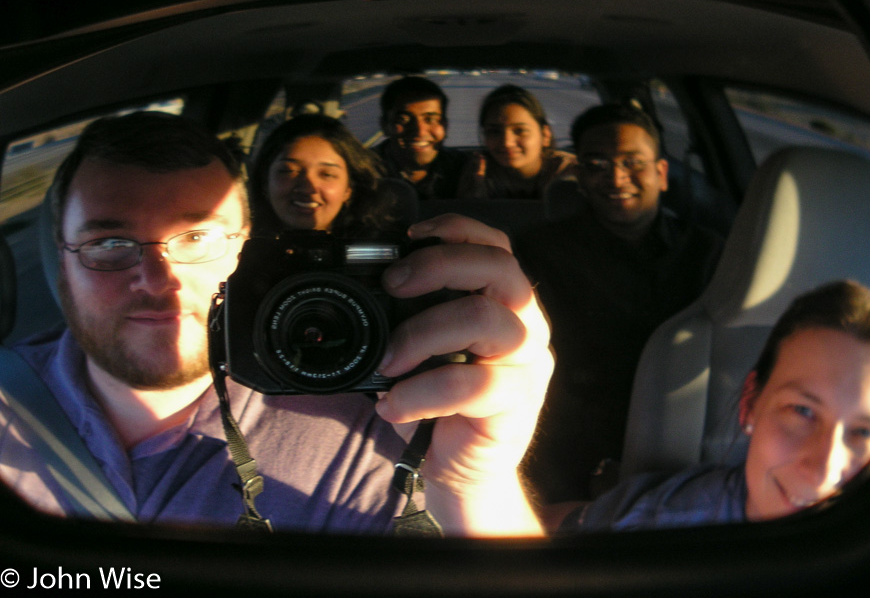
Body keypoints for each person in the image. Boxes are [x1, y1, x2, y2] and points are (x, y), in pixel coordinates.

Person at [1, 111, 552, 537]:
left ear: (246, 248)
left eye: (196, 238)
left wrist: (470, 487)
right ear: (61, 258)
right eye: (109, 243)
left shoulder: (379, 418)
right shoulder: (10, 396)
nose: (159, 278)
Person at [557, 279, 870, 531]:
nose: (823, 471)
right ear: (749, 405)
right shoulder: (658, 526)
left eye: (864, 432)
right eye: (802, 411)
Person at [514, 103, 724, 504]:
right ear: (580, 177)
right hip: (569, 448)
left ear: (661, 174)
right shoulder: (542, 250)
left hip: (689, 442)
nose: (616, 177)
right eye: (596, 164)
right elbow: (536, 370)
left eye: (633, 163)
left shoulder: (709, 252)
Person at [248, 113, 408, 238]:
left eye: (327, 174)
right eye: (289, 171)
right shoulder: (232, 253)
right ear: (265, 181)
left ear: (349, 189)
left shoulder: (382, 260)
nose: (308, 188)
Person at [456, 84, 576, 199]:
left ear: (545, 135)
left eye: (520, 130)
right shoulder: (479, 173)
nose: (506, 142)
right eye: (494, 131)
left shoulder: (568, 171)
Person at [371, 76, 468, 199]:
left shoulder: (464, 169)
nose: (419, 132)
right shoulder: (363, 172)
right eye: (403, 120)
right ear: (385, 125)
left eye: (431, 119)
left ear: (445, 126)